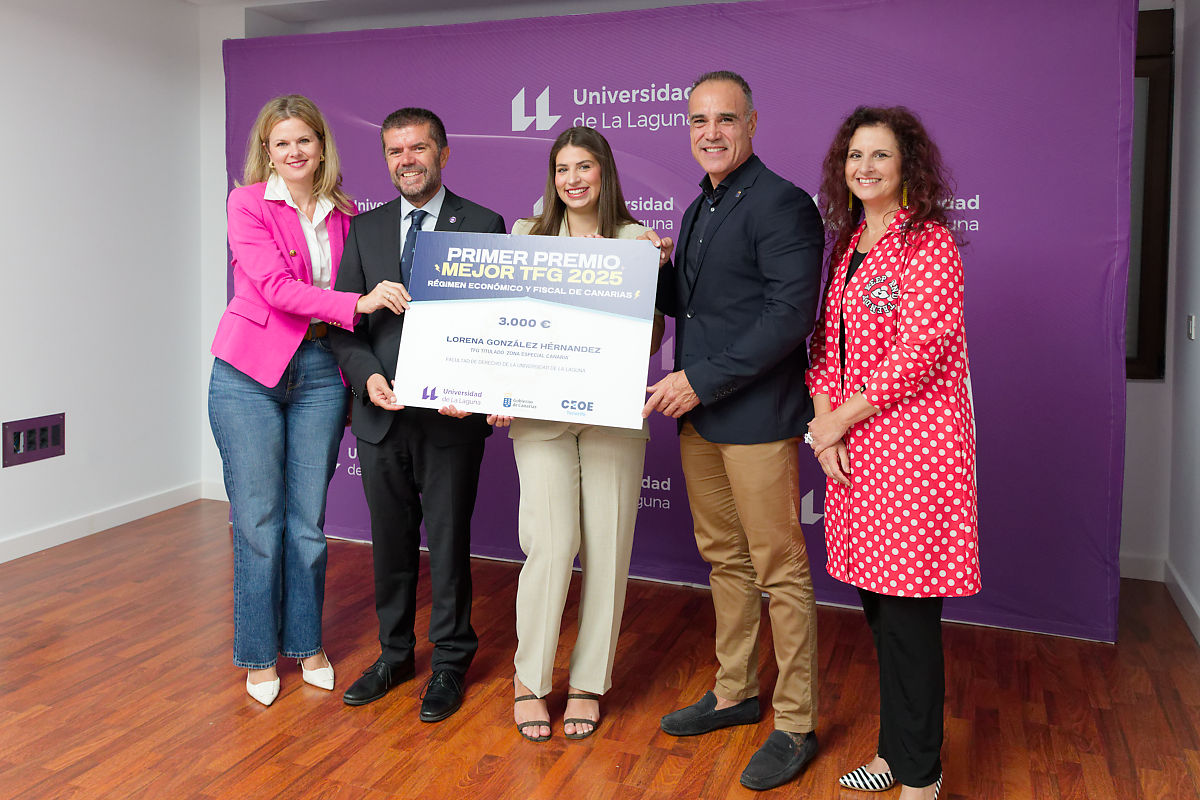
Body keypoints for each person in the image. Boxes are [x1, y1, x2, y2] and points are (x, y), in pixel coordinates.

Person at [644, 71, 824, 791]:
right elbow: (693, 302)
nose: (710, 132)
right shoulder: (700, 206)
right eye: (698, 120)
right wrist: (639, 267)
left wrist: (700, 380)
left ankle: (795, 723)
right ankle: (734, 692)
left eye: (725, 118)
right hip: (702, 419)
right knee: (726, 562)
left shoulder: (782, 205)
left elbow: (788, 318)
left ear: (753, 122)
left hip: (752, 417)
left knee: (779, 571)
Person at [209, 94, 407, 706]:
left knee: (308, 525)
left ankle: (306, 643)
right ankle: (257, 655)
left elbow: (357, 280)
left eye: (304, 141)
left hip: (322, 372)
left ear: (322, 146)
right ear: (266, 152)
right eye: (281, 143)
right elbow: (273, 287)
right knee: (259, 523)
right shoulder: (247, 203)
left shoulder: (344, 213)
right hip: (249, 374)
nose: (294, 152)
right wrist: (358, 304)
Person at [804, 106, 979, 800]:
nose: (865, 168)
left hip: (913, 456)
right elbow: (824, 348)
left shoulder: (928, 242)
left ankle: (920, 776)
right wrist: (824, 424)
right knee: (879, 615)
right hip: (855, 455)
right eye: (855, 156)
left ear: (907, 166)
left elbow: (919, 352)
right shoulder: (849, 244)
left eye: (880, 156)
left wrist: (837, 422)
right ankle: (896, 750)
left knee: (908, 621)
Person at [326, 107, 505, 723]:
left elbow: (494, 324)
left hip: (450, 420)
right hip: (381, 416)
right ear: (386, 159)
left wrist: (478, 386)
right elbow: (343, 327)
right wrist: (368, 376)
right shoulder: (366, 230)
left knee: (451, 544)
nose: (408, 160)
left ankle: (452, 660)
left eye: (419, 148)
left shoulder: (482, 225)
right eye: (396, 151)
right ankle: (395, 655)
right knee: (390, 544)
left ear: (443, 153)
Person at [506, 126, 671, 742]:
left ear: (605, 174)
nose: (573, 180)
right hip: (541, 419)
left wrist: (635, 279)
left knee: (607, 554)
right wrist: (498, 386)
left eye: (585, 167)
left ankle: (587, 683)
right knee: (549, 548)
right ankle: (530, 681)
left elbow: (652, 339)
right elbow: (510, 324)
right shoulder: (526, 237)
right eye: (562, 169)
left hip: (611, 416)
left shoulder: (636, 242)